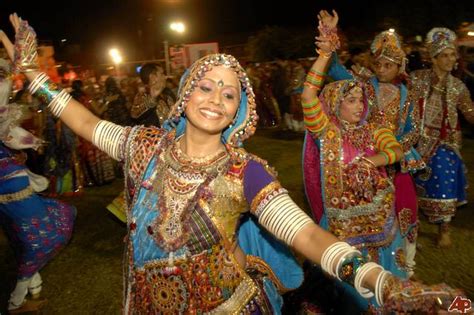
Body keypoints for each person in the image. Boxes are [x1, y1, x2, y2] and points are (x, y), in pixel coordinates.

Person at [0, 14, 460, 314]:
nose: (215, 99)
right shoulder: (142, 146)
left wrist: (377, 281)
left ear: (239, 110)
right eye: (206, 86)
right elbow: (82, 119)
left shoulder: (246, 170)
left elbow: (304, 232)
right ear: (185, 95)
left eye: (229, 93)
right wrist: (34, 74)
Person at [301, 11, 409, 312]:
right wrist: (325, 52)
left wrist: (373, 160)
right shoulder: (327, 132)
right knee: (341, 292)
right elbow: (309, 93)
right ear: (336, 104)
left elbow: (396, 151)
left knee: (386, 287)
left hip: (380, 223)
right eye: (351, 100)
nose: (359, 105)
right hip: (341, 224)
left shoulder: (374, 128)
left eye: (361, 100)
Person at [327, 22, 423, 279]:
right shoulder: (363, 86)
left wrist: (393, 150)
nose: (381, 69)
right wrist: (331, 41)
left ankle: (405, 265)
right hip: (363, 157)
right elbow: (335, 70)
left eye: (388, 65)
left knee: (406, 207)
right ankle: (364, 266)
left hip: (395, 159)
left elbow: (413, 129)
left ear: (399, 66)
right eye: (378, 64)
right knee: (361, 214)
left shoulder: (407, 95)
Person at [0, 58, 76, 311]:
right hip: (11, 188)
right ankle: (16, 299)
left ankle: (33, 291)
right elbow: (9, 135)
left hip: (11, 184)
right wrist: (31, 142)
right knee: (44, 236)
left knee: (25, 236)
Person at [410, 28, 474, 247]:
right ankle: (411, 229)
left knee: (445, 178)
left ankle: (444, 229)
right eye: (445, 55)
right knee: (409, 185)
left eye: (453, 55)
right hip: (415, 141)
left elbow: (470, 113)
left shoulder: (458, 87)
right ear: (434, 58)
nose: (450, 59)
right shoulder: (417, 80)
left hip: (446, 143)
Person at [131, 63, 176, 127]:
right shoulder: (142, 96)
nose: (165, 77)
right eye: (162, 74)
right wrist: (152, 99)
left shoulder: (167, 93)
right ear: (153, 77)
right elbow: (135, 115)